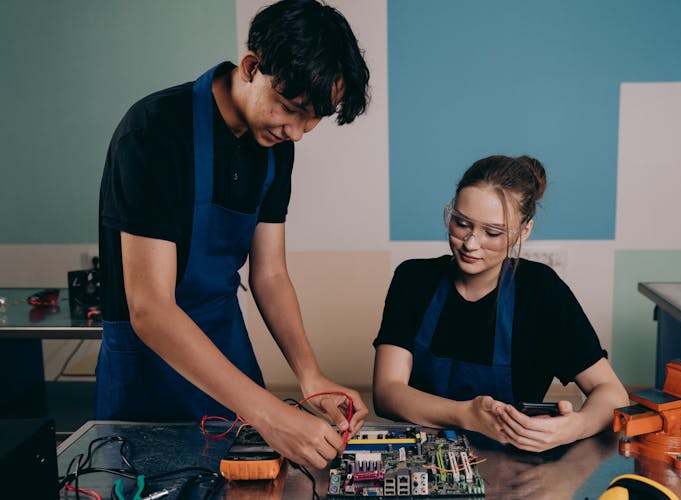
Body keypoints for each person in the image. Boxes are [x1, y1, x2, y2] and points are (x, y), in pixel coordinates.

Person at [97, 0, 370, 470]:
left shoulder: (275, 146)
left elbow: (270, 275)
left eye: (313, 119)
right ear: (251, 68)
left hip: (225, 342)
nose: (299, 133)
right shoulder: (155, 132)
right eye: (291, 109)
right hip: (147, 364)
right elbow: (151, 309)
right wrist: (268, 412)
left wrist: (310, 378)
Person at [373, 155, 629, 452]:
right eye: (461, 223)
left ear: (524, 231)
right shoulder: (414, 279)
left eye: (492, 233)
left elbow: (611, 392)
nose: (470, 243)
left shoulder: (541, 291)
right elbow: (387, 392)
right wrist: (465, 415)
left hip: (518, 467)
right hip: (423, 460)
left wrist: (575, 427)